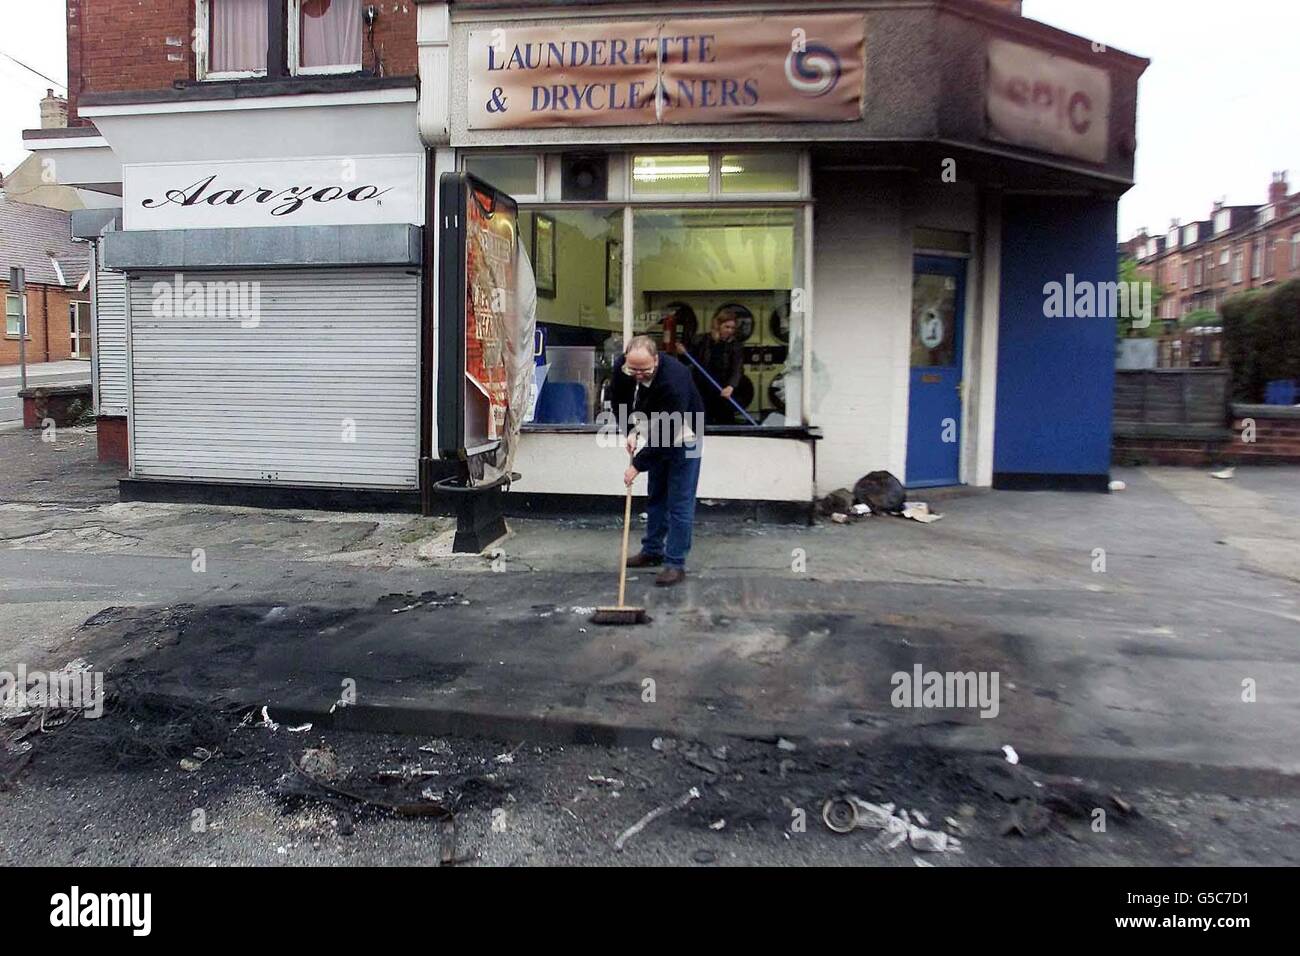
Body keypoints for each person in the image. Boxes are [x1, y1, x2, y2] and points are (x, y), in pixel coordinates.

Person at [610, 335, 705, 587]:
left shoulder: (675, 378)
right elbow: (619, 400)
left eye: (644, 370)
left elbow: (668, 433)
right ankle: (652, 551)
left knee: (679, 502)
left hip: (687, 432)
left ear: (656, 359)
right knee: (657, 494)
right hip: (657, 428)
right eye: (634, 369)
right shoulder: (623, 367)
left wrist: (637, 465)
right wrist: (630, 430)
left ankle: (675, 563)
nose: (638, 374)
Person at [678, 307, 744, 425]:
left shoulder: (736, 345)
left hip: (723, 388)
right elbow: (687, 359)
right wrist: (683, 352)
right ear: (718, 325)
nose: (730, 331)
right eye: (727, 327)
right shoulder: (702, 340)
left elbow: (737, 368)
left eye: (732, 328)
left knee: (725, 420)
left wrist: (731, 386)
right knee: (702, 421)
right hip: (702, 387)